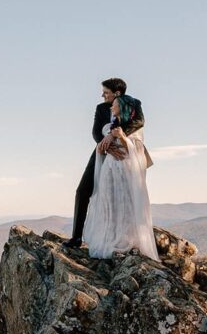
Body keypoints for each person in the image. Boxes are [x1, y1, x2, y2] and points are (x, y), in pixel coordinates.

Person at [65, 78, 151, 248]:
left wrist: (115, 135)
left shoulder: (134, 103)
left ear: (116, 93)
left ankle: (127, 238)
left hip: (127, 154)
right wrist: (107, 144)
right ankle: (76, 237)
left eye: (105, 92)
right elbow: (96, 132)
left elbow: (138, 122)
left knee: (126, 195)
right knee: (83, 190)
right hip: (102, 151)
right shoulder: (101, 108)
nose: (102, 95)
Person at [82, 94, 158, 259]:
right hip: (108, 170)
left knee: (125, 203)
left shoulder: (133, 130)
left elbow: (136, 151)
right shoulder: (108, 128)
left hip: (124, 170)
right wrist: (104, 147)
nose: (111, 107)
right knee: (109, 202)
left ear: (122, 107)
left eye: (114, 105)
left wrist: (122, 137)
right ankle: (109, 238)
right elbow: (100, 148)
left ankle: (126, 240)